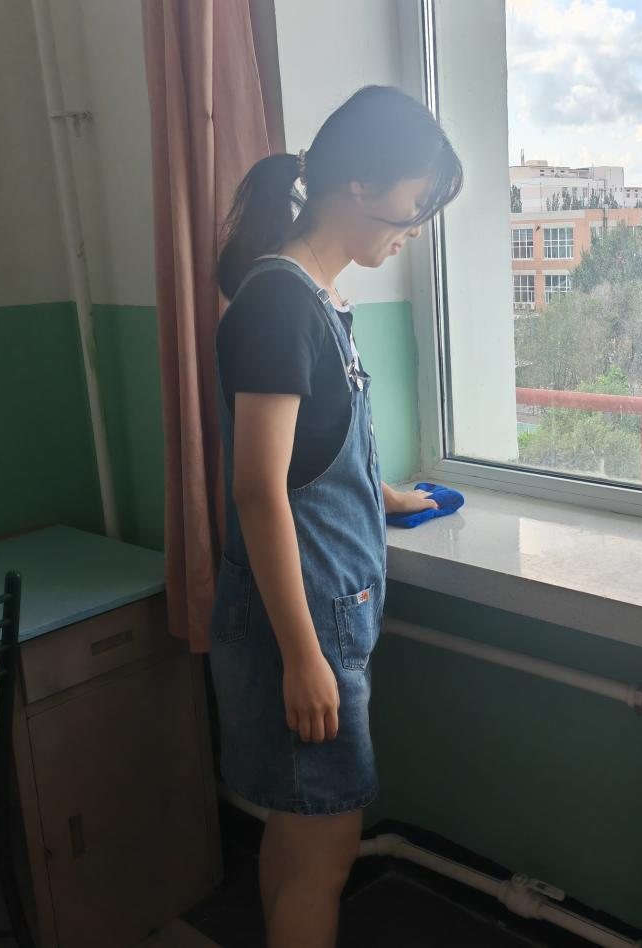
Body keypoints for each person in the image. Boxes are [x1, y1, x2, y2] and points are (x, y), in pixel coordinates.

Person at [209, 85, 463, 947]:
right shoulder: (281, 304)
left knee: (299, 833)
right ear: (359, 184)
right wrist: (303, 659)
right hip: (303, 626)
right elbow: (258, 489)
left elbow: (310, 448)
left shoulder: (316, 298)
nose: (415, 225)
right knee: (325, 851)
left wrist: (379, 492)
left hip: (325, 616)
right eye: (416, 202)